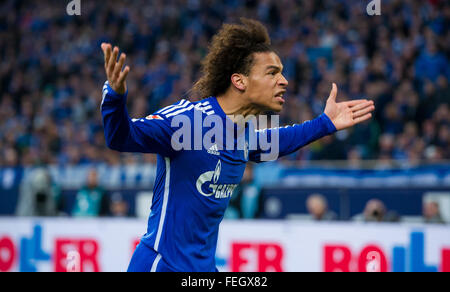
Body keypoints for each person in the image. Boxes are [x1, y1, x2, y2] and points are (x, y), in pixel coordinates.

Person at [100, 18, 375, 272]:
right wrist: (115, 95)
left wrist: (325, 123)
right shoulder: (188, 121)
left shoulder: (243, 133)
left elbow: (279, 140)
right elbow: (121, 137)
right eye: (272, 73)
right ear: (239, 80)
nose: (284, 81)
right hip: (161, 265)